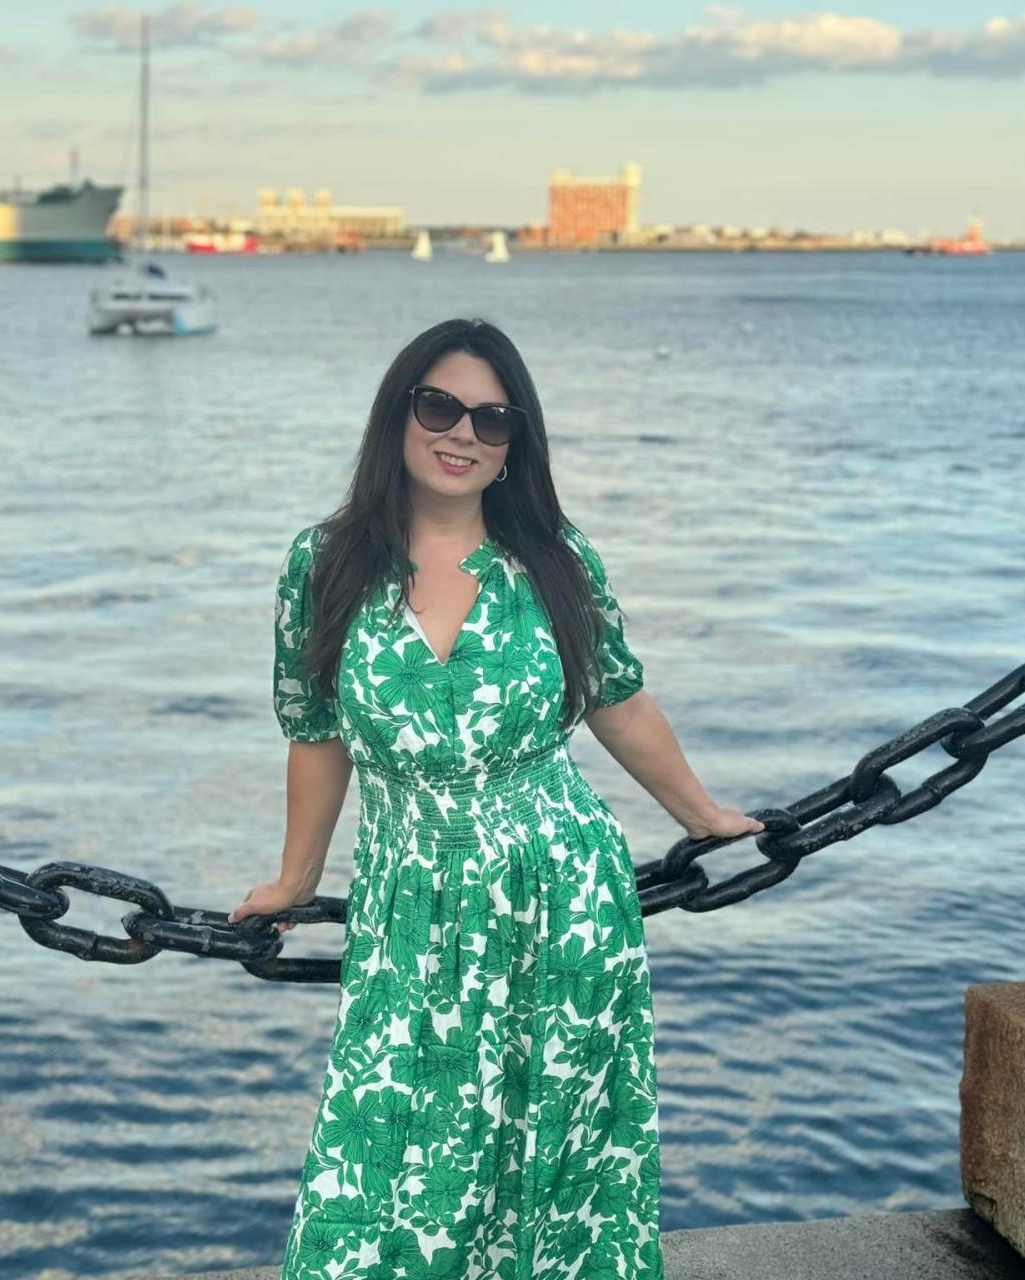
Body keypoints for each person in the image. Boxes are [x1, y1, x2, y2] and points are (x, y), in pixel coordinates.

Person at [229, 317, 764, 1280]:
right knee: (383, 1167)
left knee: (555, 1162)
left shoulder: (553, 559)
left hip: (562, 900)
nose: (461, 432)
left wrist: (702, 815)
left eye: (492, 418)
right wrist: (296, 875)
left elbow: (617, 697)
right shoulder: (325, 562)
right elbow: (314, 731)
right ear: (399, 414)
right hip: (411, 906)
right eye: (440, 405)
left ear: (516, 445)